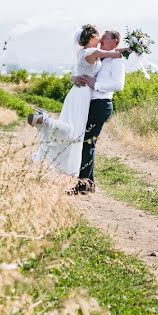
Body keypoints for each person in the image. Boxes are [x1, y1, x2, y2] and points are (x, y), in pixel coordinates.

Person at [28, 25, 124, 176]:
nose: (101, 38)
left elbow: (111, 56)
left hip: (79, 93)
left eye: (105, 37)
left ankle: (46, 121)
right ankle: (46, 121)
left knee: (76, 130)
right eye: (100, 35)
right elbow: (116, 54)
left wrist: (75, 78)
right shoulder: (96, 52)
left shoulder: (85, 52)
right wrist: (133, 48)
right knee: (75, 131)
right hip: (83, 94)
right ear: (92, 36)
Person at [68, 29, 127, 194]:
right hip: (91, 104)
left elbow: (119, 85)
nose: (100, 39)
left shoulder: (117, 62)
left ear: (114, 41)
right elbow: (83, 67)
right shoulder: (104, 56)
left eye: (105, 37)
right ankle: (89, 184)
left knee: (87, 143)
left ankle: (83, 185)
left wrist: (96, 85)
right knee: (87, 143)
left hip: (101, 105)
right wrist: (74, 78)